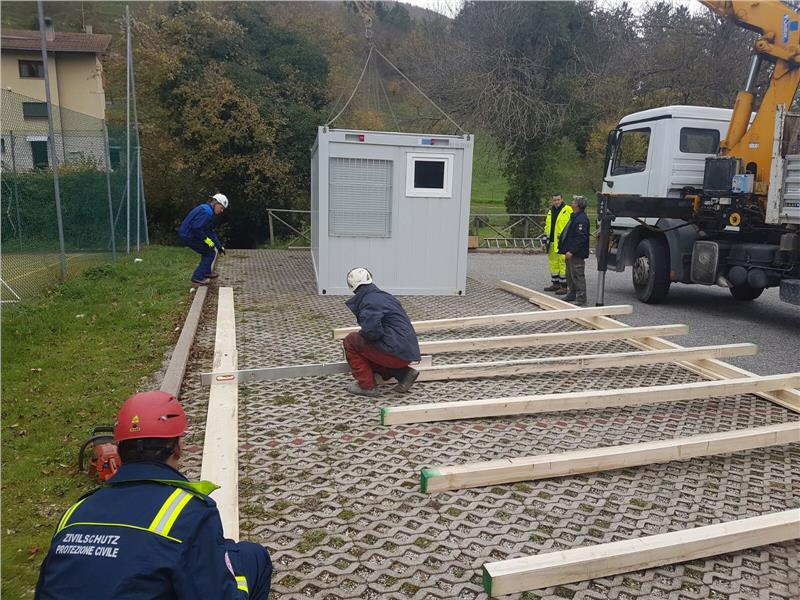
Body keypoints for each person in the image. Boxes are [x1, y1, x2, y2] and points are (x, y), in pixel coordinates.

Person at [35, 391, 272, 600]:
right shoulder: (189, 513)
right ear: (177, 449)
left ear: (119, 451)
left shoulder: (75, 512)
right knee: (253, 556)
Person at [342, 267, 421, 398]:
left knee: (351, 341)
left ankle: (366, 386)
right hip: (407, 352)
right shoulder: (385, 296)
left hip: (395, 353)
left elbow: (372, 333)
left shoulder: (368, 301)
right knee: (368, 346)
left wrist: (362, 335)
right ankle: (404, 374)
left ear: (352, 287)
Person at [178, 193, 228, 286]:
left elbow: (209, 231)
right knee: (209, 252)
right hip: (188, 235)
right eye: (221, 208)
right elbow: (196, 229)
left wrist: (219, 246)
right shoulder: (207, 213)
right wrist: (208, 241)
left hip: (190, 233)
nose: (222, 211)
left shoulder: (207, 209)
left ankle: (206, 272)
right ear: (216, 203)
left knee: (209, 250)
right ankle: (197, 277)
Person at [558, 195, 591, 306]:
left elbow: (581, 238)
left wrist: (571, 251)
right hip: (570, 252)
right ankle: (571, 294)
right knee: (569, 275)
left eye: (573, 201)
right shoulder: (575, 216)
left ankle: (581, 298)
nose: (571, 203)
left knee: (578, 275)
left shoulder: (581, 219)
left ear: (577, 205)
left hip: (576, 254)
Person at [543, 194, 573, 294]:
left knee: (562, 264)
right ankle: (555, 283)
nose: (557, 202)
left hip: (562, 242)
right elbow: (547, 227)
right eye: (555, 200)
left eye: (558, 200)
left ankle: (564, 286)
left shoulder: (567, 210)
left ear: (562, 199)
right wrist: (544, 242)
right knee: (553, 263)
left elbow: (571, 225)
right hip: (551, 242)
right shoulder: (550, 211)